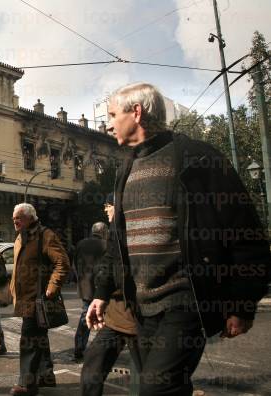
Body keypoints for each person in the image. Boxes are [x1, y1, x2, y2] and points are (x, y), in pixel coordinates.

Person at [87, 82, 271, 395]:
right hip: (143, 308)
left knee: (155, 389)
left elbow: (245, 233)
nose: (107, 123)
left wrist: (241, 303)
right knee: (171, 388)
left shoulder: (197, 160)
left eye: (112, 114)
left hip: (186, 302)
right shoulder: (125, 171)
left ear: (137, 112)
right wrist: (102, 292)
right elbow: (119, 244)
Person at [80, 195, 141, 396]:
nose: (106, 210)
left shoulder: (134, 230)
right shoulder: (114, 234)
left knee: (151, 377)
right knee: (92, 366)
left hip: (140, 318)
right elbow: (108, 267)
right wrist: (100, 296)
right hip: (115, 317)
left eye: (108, 206)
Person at [9, 203, 70, 396]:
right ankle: (46, 376)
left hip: (37, 299)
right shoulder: (21, 236)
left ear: (29, 217)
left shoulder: (45, 235)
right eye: (13, 218)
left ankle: (27, 385)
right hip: (24, 297)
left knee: (29, 339)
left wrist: (52, 287)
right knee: (39, 337)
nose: (15, 221)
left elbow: (62, 262)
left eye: (18, 217)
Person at [73, 222, 108, 361]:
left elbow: (74, 264)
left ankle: (79, 347)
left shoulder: (81, 243)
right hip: (101, 288)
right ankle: (102, 349)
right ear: (104, 232)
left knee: (85, 316)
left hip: (85, 286)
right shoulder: (106, 245)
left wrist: (79, 279)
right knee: (105, 317)